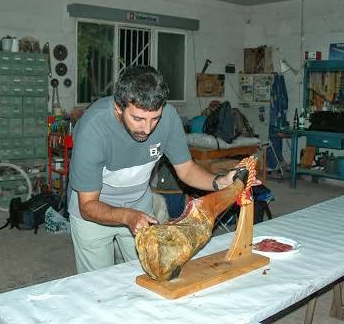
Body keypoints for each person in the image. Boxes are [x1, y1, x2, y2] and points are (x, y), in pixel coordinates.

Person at [68, 65, 242, 273]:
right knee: (97, 284)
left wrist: (219, 182)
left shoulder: (168, 117)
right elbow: (87, 205)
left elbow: (186, 169)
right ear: (118, 108)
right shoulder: (93, 128)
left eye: (154, 119)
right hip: (94, 211)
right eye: (138, 119)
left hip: (140, 207)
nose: (147, 129)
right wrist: (127, 216)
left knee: (148, 275)